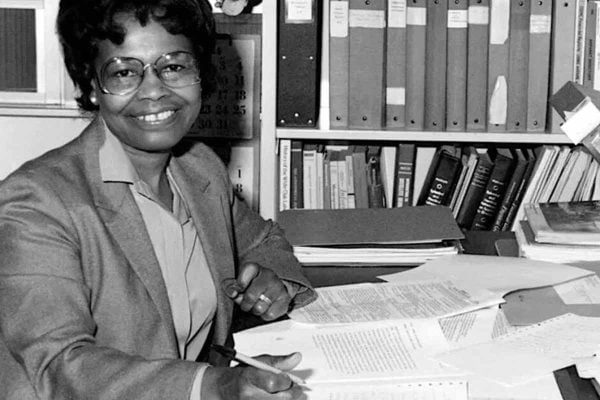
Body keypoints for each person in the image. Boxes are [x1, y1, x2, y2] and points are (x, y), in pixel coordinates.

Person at [0, 0, 316, 399]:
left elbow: (264, 241)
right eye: (124, 72)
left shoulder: (199, 168)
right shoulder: (35, 203)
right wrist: (213, 387)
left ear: (200, 72)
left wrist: (273, 282)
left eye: (174, 66)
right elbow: (60, 363)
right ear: (91, 85)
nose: (154, 91)